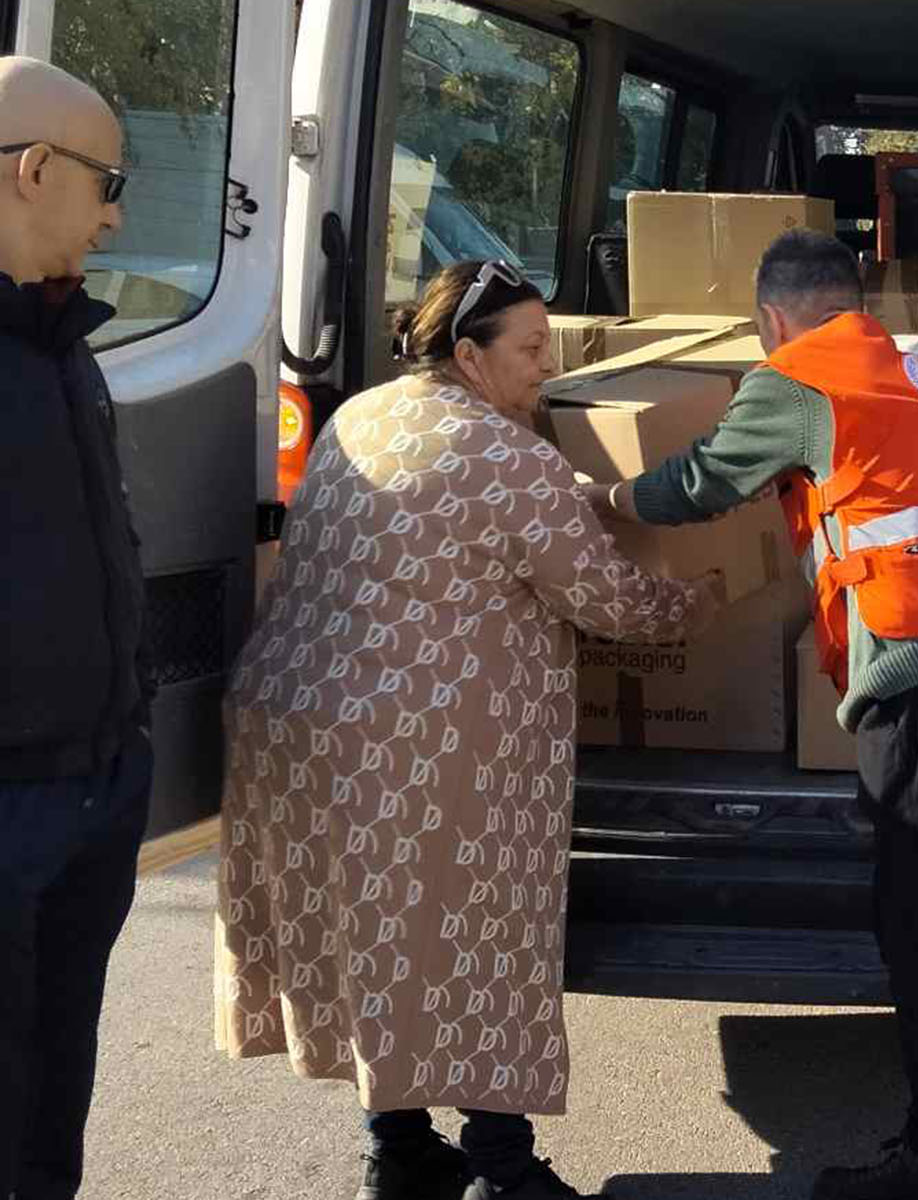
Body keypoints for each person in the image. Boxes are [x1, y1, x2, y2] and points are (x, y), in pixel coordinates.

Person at [214, 260, 719, 1200]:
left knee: (381, 943)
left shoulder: (360, 416)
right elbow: (608, 600)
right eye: (531, 348)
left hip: (300, 726)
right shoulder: (506, 455)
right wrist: (707, 598)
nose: (547, 367)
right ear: (469, 354)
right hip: (426, 747)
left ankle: (398, 1151)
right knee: (480, 939)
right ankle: (502, 1170)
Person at [610, 229, 918, 1200]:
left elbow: (700, 482)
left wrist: (606, 492)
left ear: (773, 317)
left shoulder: (800, 378)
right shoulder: (915, 374)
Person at [0, 56, 146, 1200]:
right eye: (109, 183)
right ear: (34, 168)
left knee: (53, 1100)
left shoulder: (61, 342)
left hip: (92, 786)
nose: (113, 217)